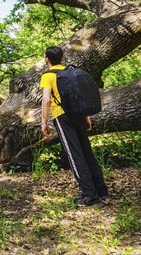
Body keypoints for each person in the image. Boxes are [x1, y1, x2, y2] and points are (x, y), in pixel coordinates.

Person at [40, 46, 109, 207]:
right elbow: (79, 95)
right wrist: (86, 116)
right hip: (78, 114)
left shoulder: (48, 75)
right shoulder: (70, 72)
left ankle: (90, 197)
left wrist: (44, 122)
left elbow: (46, 100)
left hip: (62, 117)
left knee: (74, 155)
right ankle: (102, 192)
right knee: (86, 152)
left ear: (47, 60)